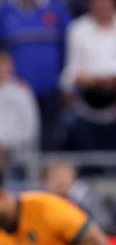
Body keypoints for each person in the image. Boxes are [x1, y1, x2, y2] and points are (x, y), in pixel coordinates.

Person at [0, 0, 71, 150]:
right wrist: (8, 77)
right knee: (12, 143)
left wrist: (62, 80)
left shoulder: (57, 9)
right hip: (12, 94)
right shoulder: (1, 11)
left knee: (50, 144)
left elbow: (69, 48)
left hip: (50, 93)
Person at [60, 0, 116, 151]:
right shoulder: (77, 29)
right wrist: (91, 80)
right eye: (98, 4)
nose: (102, 7)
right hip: (86, 105)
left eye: (106, 3)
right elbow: (70, 71)